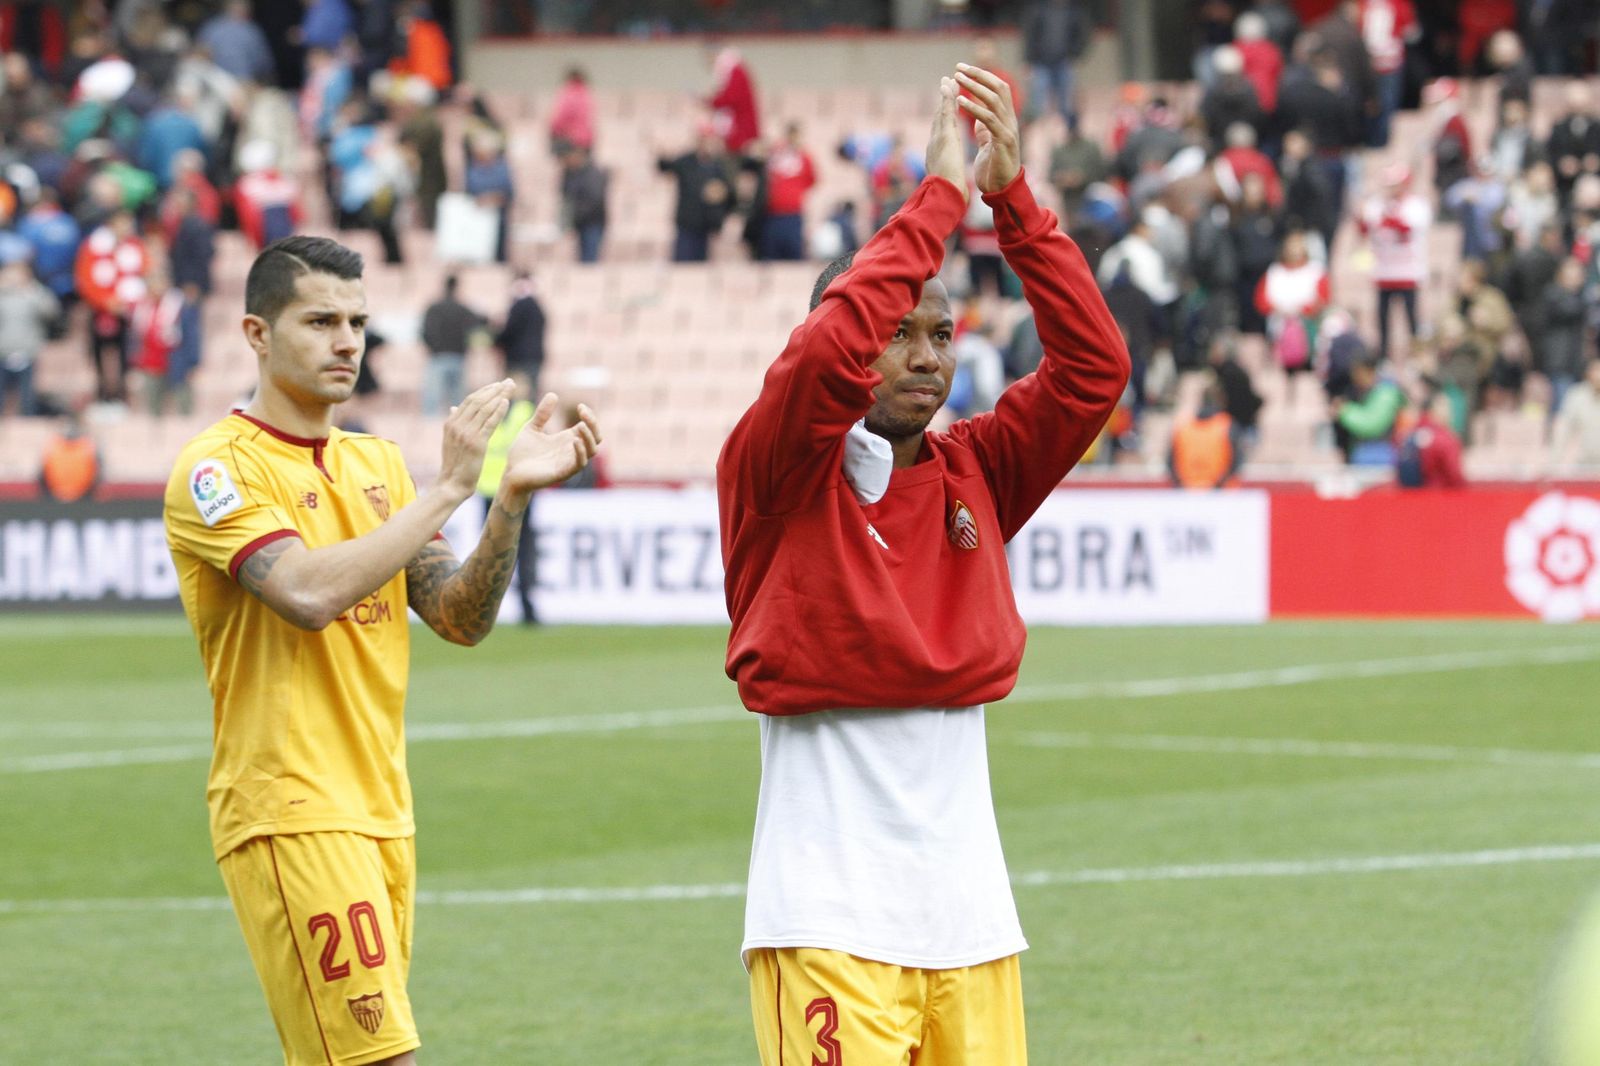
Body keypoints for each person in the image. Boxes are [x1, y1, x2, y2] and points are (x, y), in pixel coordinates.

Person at [717, 68, 1128, 1065]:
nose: (924, 354)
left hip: (971, 923)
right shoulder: (777, 476)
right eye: (895, 331)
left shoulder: (977, 470)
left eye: (941, 333)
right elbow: (822, 364)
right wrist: (936, 199)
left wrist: (1013, 203)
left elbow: (1092, 371)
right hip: (826, 922)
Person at [162, 235, 601, 1066]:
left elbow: (459, 617)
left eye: (358, 321)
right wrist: (446, 489)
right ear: (257, 333)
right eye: (320, 320)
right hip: (292, 809)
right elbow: (305, 593)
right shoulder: (215, 468)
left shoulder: (376, 464)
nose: (347, 341)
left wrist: (506, 498)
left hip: (382, 811)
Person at [1357, 163, 1430, 361]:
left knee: (1411, 318)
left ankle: (1416, 355)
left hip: (1408, 272)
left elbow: (1407, 229)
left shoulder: (1416, 205)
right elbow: (1364, 231)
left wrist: (1387, 217)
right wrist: (1361, 216)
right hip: (1383, 271)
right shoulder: (1376, 204)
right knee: (1382, 319)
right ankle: (1383, 356)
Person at [0, 258, 60, 416]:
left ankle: (27, 424)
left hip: (27, 352)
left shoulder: (33, 294)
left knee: (28, 397)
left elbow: (51, 312)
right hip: (2, 352)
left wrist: (32, 289)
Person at [420, 274, 486, 416]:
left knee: (433, 401)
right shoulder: (463, 309)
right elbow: (480, 323)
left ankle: (430, 431)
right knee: (458, 403)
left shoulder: (434, 308)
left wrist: (433, 347)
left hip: (438, 357)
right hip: (458, 357)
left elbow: (424, 332)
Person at [1169, 383, 1244, 488]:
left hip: (1187, 491)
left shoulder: (1183, 427)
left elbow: (1171, 462)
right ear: (1222, 401)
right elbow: (1236, 461)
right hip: (1221, 494)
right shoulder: (1227, 425)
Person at [495, 271, 545, 384]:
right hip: (534, 357)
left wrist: (496, 339)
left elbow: (510, 331)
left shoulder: (519, 306)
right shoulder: (538, 308)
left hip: (518, 358)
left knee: (515, 392)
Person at [1553, 358, 1600, 469]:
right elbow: (1564, 430)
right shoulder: (1577, 395)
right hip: (1585, 463)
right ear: (1588, 373)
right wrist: (1554, 463)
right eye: (1596, 370)